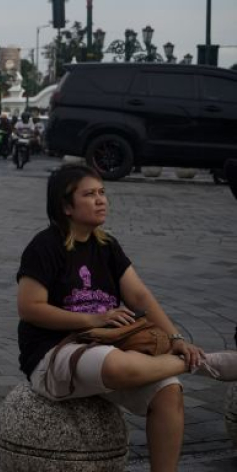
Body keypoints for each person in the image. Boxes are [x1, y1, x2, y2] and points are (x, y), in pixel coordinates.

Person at [16, 164, 237, 472]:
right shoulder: (44, 247)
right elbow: (30, 308)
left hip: (111, 344)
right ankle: (206, 364)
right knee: (122, 365)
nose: (101, 200)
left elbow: (140, 297)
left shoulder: (107, 245)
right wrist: (94, 319)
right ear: (66, 206)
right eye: (89, 194)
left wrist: (176, 340)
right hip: (55, 352)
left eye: (102, 192)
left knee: (168, 391)